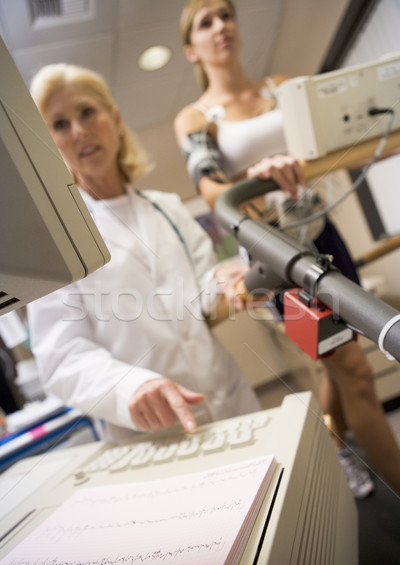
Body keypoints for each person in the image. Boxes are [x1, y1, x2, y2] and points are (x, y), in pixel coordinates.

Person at [174, 0, 400, 498]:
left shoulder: (281, 87)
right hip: (274, 259)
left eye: (225, 14)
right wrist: (251, 177)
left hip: (323, 235)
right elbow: (210, 186)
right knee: (353, 369)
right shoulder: (197, 116)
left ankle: (336, 445)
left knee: (340, 357)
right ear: (192, 47)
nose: (220, 26)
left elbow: (327, 144)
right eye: (205, 22)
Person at [27, 62, 261, 445]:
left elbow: (201, 290)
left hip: (226, 396)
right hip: (150, 430)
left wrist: (222, 281)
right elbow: (62, 357)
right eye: (60, 124)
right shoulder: (56, 242)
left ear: (114, 118)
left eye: (87, 112)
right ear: (50, 145)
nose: (80, 131)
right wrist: (131, 387)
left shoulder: (166, 207)